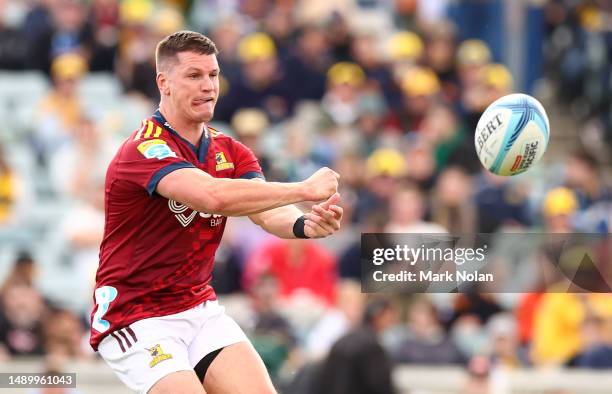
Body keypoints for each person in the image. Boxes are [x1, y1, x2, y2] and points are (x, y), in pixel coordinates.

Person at [90, 30, 343, 394]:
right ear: (164, 83)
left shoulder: (231, 150)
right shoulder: (144, 149)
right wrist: (303, 189)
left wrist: (304, 223)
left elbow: (264, 210)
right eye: (194, 75)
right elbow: (212, 197)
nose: (208, 85)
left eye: (213, 75)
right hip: (137, 315)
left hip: (197, 307)